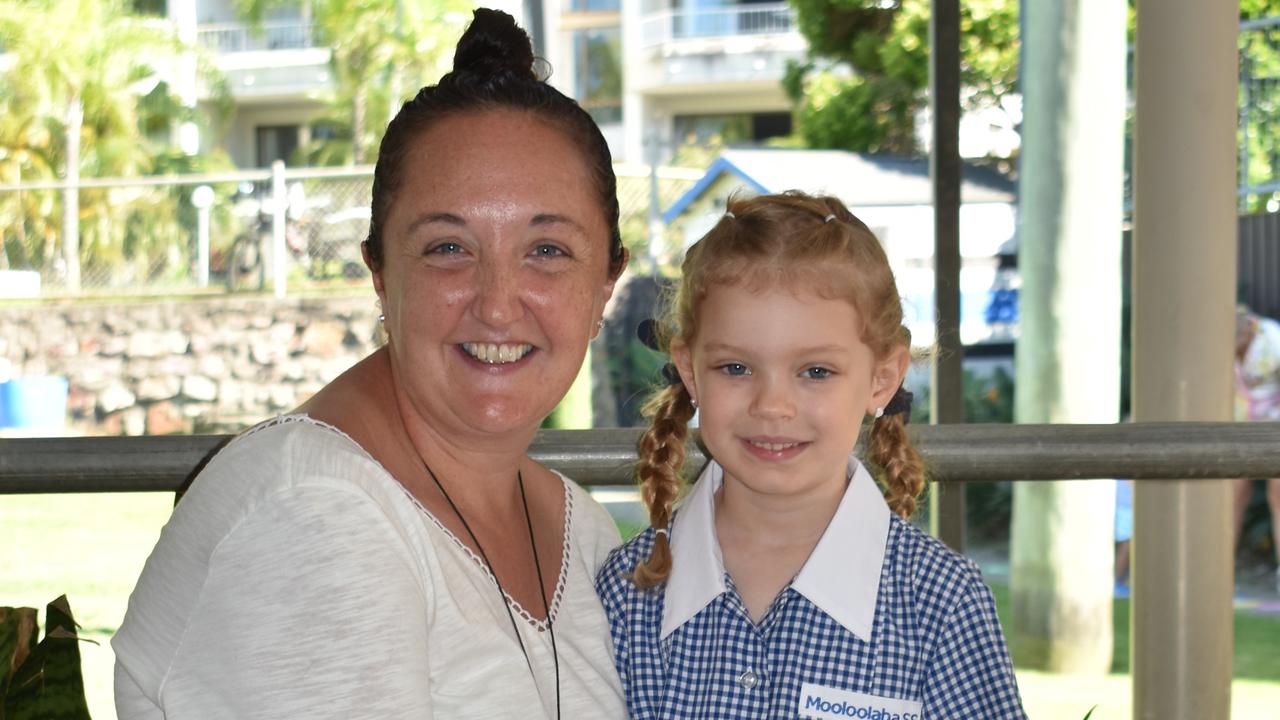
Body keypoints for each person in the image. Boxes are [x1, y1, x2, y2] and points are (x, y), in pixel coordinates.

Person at [113, 10, 628, 718]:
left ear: (606, 283)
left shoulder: (585, 531)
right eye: (449, 248)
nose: (499, 304)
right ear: (381, 273)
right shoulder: (315, 516)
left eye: (547, 251)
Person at [596, 192, 1025, 718]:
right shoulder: (625, 594)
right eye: (736, 368)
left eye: (816, 372)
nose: (772, 406)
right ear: (689, 370)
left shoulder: (941, 603)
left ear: (883, 378)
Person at [1233, 305, 1280, 593]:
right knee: (1230, 494)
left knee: (1279, 494)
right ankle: (1220, 569)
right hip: (1236, 426)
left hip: (1275, 424)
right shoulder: (1212, 341)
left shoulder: (1272, 338)